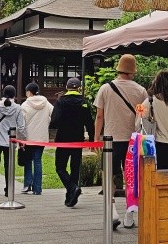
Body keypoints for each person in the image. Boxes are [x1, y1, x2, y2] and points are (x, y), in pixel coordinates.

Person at [94, 54, 147, 227]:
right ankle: (130, 216)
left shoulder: (105, 88)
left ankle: (112, 211)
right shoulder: (141, 91)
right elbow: (142, 116)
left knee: (109, 174)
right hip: (133, 140)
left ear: (118, 68)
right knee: (131, 177)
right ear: (133, 71)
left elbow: (99, 116)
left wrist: (96, 137)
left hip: (111, 140)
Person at [51, 77, 94, 208]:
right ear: (79, 87)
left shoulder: (61, 101)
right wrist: (91, 139)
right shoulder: (84, 102)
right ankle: (71, 196)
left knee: (60, 167)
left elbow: (54, 121)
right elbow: (90, 123)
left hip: (63, 139)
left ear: (67, 87)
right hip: (78, 139)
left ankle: (72, 188)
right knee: (75, 168)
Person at [0, 85, 27, 196]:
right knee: (9, 166)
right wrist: (22, 140)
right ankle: (9, 190)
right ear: (14, 94)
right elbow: (21, 127)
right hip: (10, 141)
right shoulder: (17, 108)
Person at [20, 82, 52, 195]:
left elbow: (21, 123)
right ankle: (37, 188)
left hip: (29, 138)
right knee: (37, 161)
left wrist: (21, 139)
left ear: (29, 92)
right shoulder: (46, 103)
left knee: (28, 161)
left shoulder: (24, 105)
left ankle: (27, 184)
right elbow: (53, 114)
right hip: (42, 137)